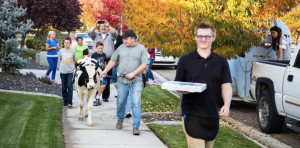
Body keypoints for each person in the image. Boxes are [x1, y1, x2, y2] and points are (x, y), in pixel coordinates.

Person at [175, 22, 232, 148]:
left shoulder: (221, 61)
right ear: (195, 37)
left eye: (207, 36)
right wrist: (185, 90)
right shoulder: (185, 60)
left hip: (212, 114)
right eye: (200, 36)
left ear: (214, 37)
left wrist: (227, 105)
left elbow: (226, 86)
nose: (203, 39)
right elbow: (178, 85)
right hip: (192, 114)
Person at [100, 29, 148, 135]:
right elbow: (113, 60)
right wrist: (105, 71)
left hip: (137, 80)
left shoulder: (141, 49)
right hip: (122, 80)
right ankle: (120, 119)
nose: (124, 41)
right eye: (123, 39)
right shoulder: (121, 48)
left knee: (136, 103)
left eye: (126, 39)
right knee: (121, 101)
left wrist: (133, 73)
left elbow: (144, 64)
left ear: (133, 38)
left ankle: (136, 126)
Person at [88, 20, 117, 102]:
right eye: (102, 26)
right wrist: (95, 25)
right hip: (96, 60)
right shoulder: (95, 35)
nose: (103, 27)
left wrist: (109, 25)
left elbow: (115, 33)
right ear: (99, 27)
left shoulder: (111, 35)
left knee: (106, 78)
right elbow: (89, 32)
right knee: (96, 78)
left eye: (105, 26)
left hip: (108, 60)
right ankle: (96, 96)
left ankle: (105, 96)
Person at [59, 37, 76, 107]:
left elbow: (74, 60)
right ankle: (65, 101)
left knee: (69, 86)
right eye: (65, 43)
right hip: (63, 71)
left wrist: (71, 67)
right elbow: (60, 59)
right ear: (64, 43)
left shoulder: (73, 51)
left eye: (68, 43)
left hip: (70, 71)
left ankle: (69, 102)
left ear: (70, 43)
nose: (66, 44)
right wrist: (63, 66)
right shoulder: (61, 50)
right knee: (64, 87)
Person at [91, 42, 108, 106]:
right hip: (95, 73)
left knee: (103, 85)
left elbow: (105, 63)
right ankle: (94, 99)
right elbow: (91, 64)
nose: (100, 49)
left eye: (101, 48)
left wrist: (106, 70)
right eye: (99, 48)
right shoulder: (93, 55)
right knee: (94, 86)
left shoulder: (104, 54)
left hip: (103, 72)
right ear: (96, 48)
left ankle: (98, 97)